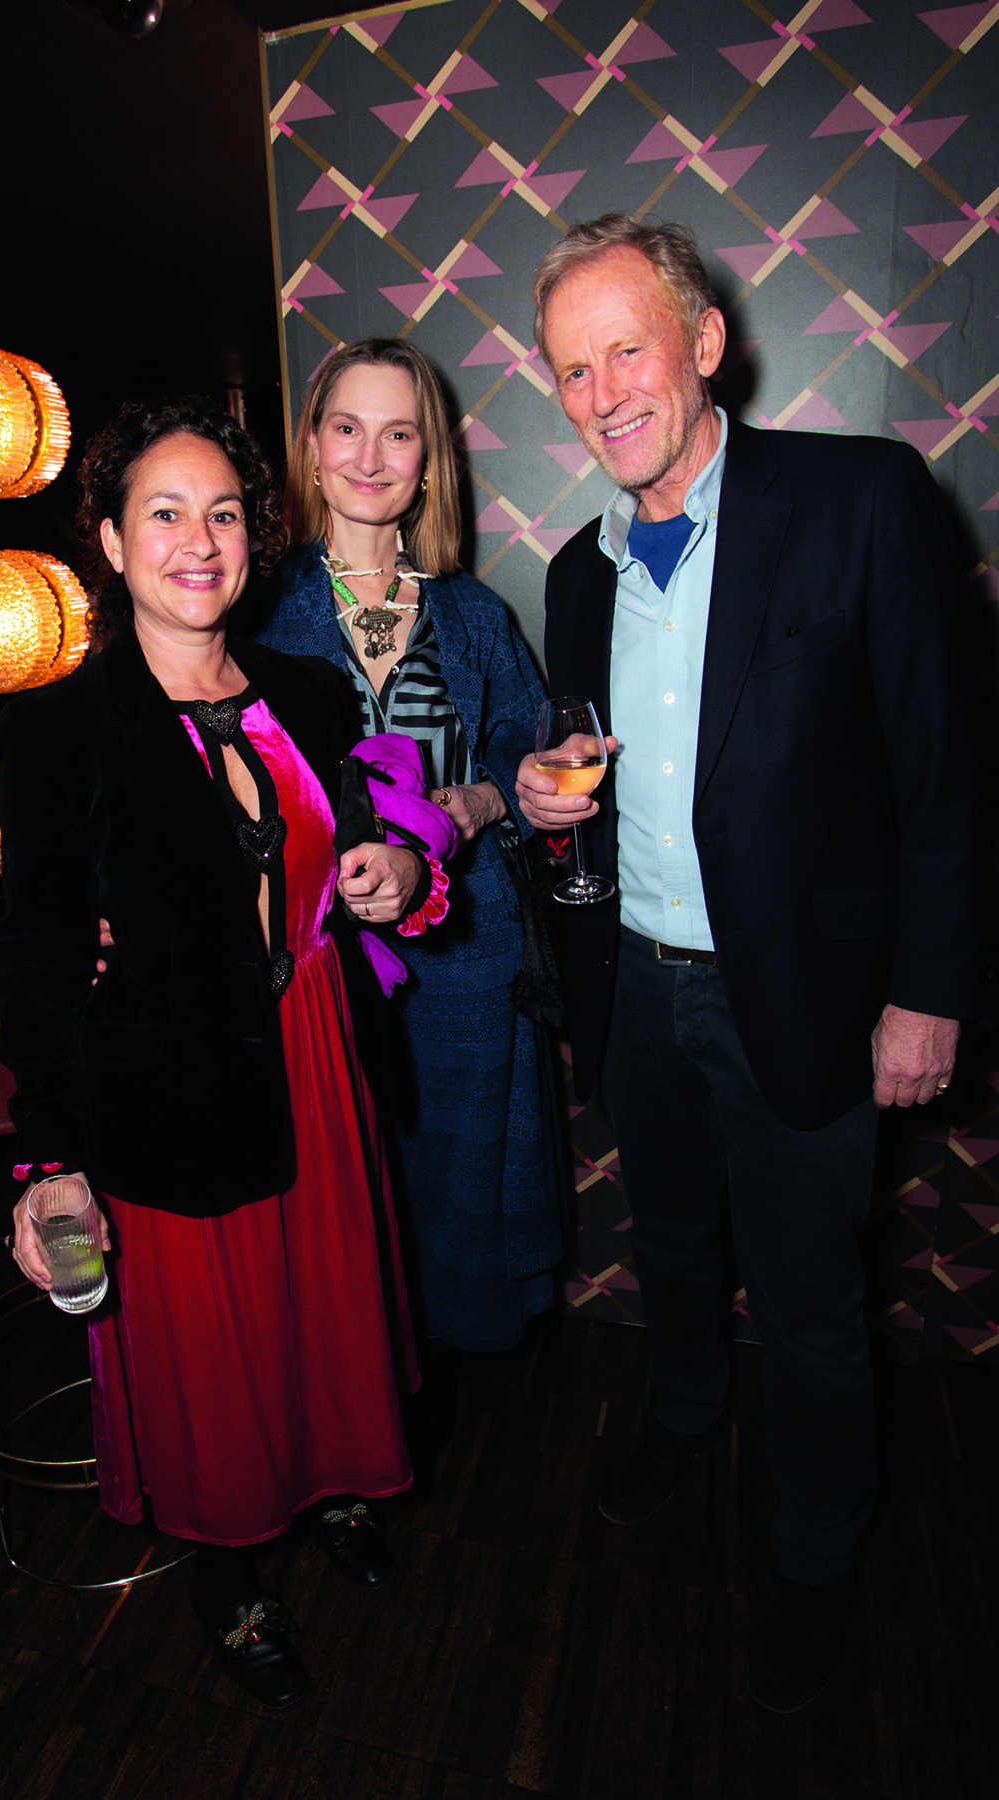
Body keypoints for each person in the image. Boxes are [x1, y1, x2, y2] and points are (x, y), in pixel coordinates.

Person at [515, 216, 985, 1713]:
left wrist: (929, 990)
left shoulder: (859, 499)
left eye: (627, 351)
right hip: (638, 988)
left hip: (810, 1000)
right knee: (671, 1248)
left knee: (811, 1304)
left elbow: (949, 772)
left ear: (704, 341)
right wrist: (538, 794)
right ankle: (688, 1409)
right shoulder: (577, 573)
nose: (602, 395)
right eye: (573, 370)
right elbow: (601, 772)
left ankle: (817, 1544)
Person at [0, 395, 443, 1709]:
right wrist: (50, 1159)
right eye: (167, 513)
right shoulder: (59, 727)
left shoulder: (305, 687)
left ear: (258, 536)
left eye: (227, 513)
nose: (202, 541)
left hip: (316, 1052)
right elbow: (35, 954)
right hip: (169, 1087)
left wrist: (392, 870)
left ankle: (338, 1492)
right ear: (114, 542)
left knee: (326, 1316)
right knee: (218, 1357)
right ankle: (231, 1574)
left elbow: (378, 854)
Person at [254, 338, 563, 1356]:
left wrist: (478, 803)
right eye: (348, 427)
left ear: (430, 461)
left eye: (401, 434)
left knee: (461, 1194)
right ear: (311, 445)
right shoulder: (256, 609)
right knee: (336, 1196)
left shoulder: (474, 616)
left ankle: (448, 1388)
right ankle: (356, 1390)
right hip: (315, 966)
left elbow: (526, 760)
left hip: (467, 959)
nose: (372, 457)